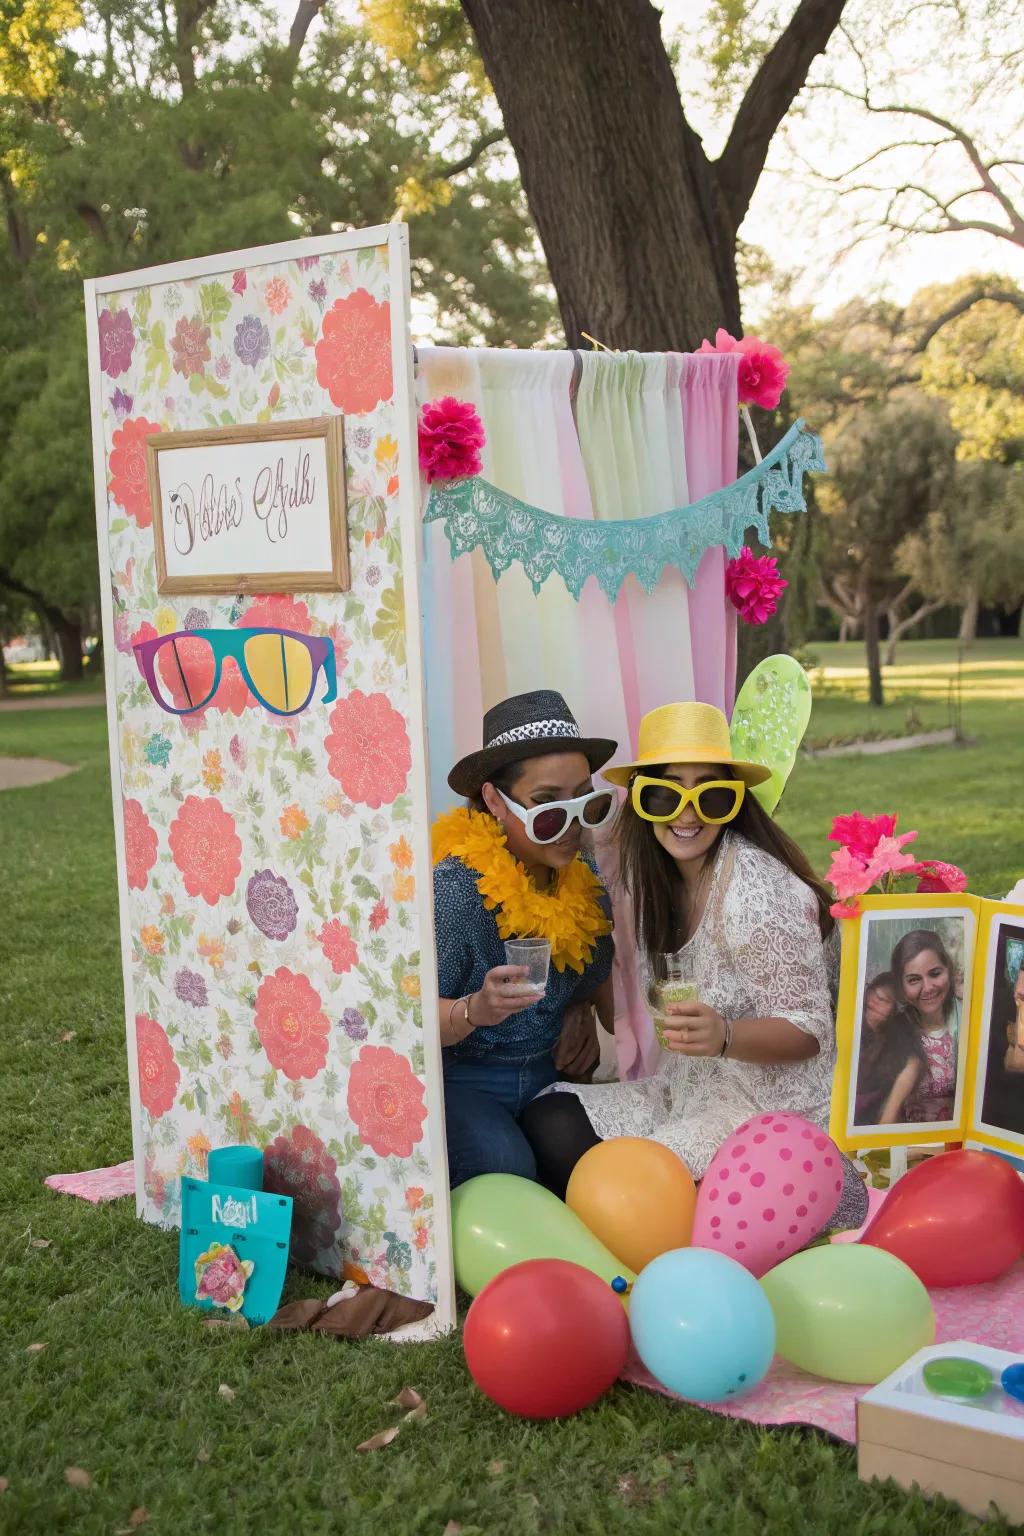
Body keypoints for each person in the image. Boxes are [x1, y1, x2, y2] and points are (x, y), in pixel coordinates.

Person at [520, 701, 868, 1230]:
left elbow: (810, 1032)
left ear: (734, 802)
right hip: (688, 1090)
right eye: (664, 794)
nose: (688, 814)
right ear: (641, 802)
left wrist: (725, 1035)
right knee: (551, 1121)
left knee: (630, 1182)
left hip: (767, 1117)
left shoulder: (757, 893)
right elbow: (578, 837)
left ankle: (744, 1216)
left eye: (711, 794)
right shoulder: (659, 874)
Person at [433, 690, 617, 1187]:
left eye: (585, 800)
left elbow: (597, 981)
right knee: (507, 1167)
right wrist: (477, 1009)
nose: (572, 825)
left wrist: (582, 1010)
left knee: (599, 1164)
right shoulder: (457, 891)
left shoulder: (582, 871)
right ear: (494, 799)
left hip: (544, 1076)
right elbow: (409, 1023)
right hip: (462, 1082)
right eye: (546, 806)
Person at [889, 929, 961, 1123]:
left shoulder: (969, 1019)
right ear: (901, 987)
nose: (928, 987)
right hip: (910, 1148)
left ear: (949, 971)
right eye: (914, 980)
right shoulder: (894, 1030)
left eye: (935, 974)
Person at [853, 971, 927, 1126]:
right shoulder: (854, 1031)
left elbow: (887, 1120)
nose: (871, 1002)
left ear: (894, 1012)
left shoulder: (907, 1059)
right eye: (870, 993)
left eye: (881, 999)